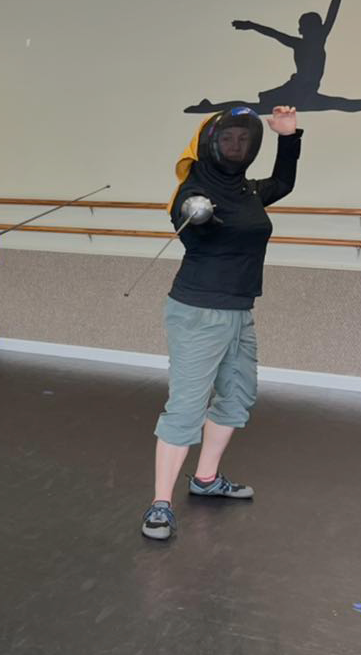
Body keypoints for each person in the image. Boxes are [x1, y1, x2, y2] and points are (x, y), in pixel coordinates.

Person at [141, 105, 301, 541]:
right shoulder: (190, 192)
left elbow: (283, 182)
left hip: (240, 312)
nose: (236, 145)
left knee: (238, 397)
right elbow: (191, 230)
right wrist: (200, 217)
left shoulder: (247, 190)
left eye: (243, 139)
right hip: (198, 312)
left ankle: (205, 479)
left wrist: (288, 136)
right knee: (186, 409)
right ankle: (160, 505)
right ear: (211, 144)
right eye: (228, 138)